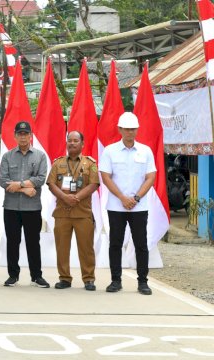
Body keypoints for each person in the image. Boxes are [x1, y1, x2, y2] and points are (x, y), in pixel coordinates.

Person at [99, 112, 156, 296]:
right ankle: (116, 280)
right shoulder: (110, 150)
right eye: (127, 129)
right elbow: (105, 177)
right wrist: (122, 198)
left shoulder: (145, 151)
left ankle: (143, 282)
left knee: (141, 244)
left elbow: (150, 177)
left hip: (139, 206)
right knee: (115, 243)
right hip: (116, 206)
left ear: (137, 130)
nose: (130, 132)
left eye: (133, 129)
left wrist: (136, 198)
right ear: (120, 130)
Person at [47, 131, 99, 291]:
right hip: (62, 213)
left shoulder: (90, 164)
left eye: (76, 140)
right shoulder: (58, 163)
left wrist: (75, 197)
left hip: (83, 213)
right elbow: (51, 183)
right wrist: (64, 197)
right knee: (62, 248)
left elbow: (94, 184)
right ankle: (64, 278)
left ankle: (89, 279)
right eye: (69, 140)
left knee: (86, 248)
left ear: (82, 144)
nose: (72, 143)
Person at [0, 121, 49, 288]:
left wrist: (18, 185)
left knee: (33, 242)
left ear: (30, 136)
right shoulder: (7, 156)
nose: (23, 137)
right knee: (12, 242)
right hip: (11, 207)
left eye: (25, 133)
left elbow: (40, 179)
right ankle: (13, 275)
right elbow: (4, 181)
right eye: (19, 134)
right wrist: (25, 189)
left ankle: (37, 276)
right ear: (15, 136)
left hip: (32, 208)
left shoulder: (40, 156)